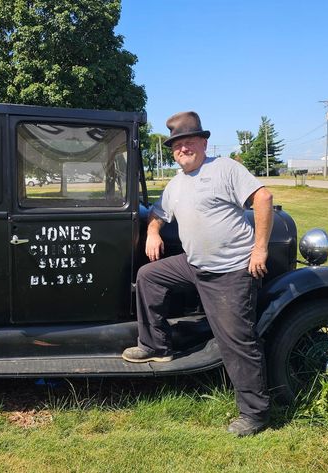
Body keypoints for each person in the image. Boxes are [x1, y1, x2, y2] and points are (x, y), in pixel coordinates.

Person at [122, 111, 273, 437]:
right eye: (177, 144)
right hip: (195, 264)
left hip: (231, 270)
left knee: (237, 341)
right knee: (149, 276)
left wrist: (260, 249)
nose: (183, 148)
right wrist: (153, 231)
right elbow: (160, 213)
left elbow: (263, 197)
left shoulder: (224, 169)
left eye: (189, 141)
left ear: (203, 142)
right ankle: (156, 346)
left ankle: (255, 412)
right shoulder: (176, 184)